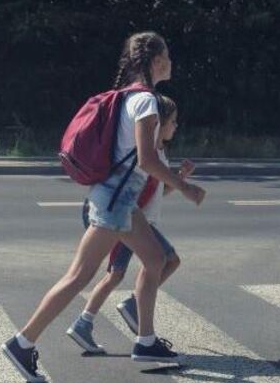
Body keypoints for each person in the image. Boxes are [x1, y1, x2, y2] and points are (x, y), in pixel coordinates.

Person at [1, 32, 206, 383]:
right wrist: (185, 187)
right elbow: (146, 159)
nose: (171, 61)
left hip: (122, 201)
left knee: (156, 259)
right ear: (155, 60)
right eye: (167, 55)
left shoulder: (132, 97)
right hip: (115, 202)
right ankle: (22, 343)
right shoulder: (147, 102)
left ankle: (145, 341)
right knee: (78, 276)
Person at [66, 95, 190, 353]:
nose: (176, 126)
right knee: (163, 260)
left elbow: (159, 192)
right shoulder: (145, 155)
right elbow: (136, 195)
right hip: (130, 221)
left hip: (136, 221)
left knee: (118, 273)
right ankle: (132, 306)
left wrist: (178, 180)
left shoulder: (159, 154)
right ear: (160, 123)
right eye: (173, 121)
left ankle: (85, 322)